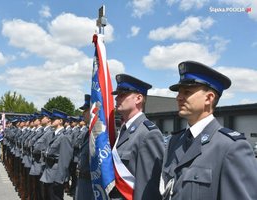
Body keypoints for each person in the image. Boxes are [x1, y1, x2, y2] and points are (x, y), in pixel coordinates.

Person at [160, 60, 257, 200]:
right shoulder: (174, 141)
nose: (178, 97)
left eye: (187, 92)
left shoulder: (231, 147)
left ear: (209, 98)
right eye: (179, 93)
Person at [110, 74, 164, 200]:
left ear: (138, 98)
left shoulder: (148, 134)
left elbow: (149, 188)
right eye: (117, 94)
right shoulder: (123, 130)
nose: (117, 98)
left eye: (122, 94)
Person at [75, 94, 95, 200]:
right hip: (82, 183)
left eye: (86, 110)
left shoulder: (99, 135)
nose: (83, 113)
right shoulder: (88, 132)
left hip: (90, 187)